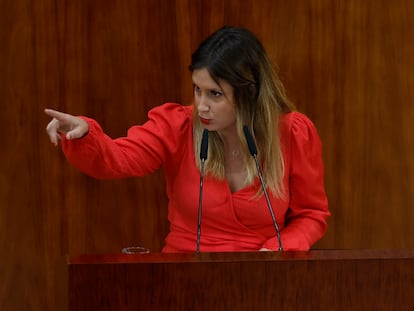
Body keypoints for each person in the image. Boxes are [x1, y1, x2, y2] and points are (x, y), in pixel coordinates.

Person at [45, 26, 330, 252]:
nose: (201, 105)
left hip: (261, 278)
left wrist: (275, 251)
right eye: (197, 89)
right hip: (184, 280)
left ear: (249, 92)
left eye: (214, 94)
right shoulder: (178, 126)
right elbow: (117, 159)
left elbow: (311, 214)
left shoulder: (292, 134)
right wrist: (85, 134)